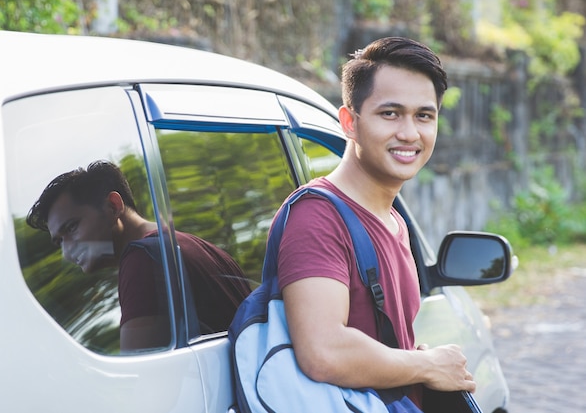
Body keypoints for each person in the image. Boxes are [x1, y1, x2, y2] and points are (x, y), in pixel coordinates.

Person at [276, 37, 475, 408]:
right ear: (349, 122)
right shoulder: (319, 217)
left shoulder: (393, 220)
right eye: (390, 113)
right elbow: (323, 351)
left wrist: (415, 361)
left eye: (424, 115)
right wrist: (426, 364)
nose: (409, 133)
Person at [26, 160, 251, 353]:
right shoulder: (198, 246)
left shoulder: (142, 261)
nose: (67, 252)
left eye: (72, 227)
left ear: (113, 206)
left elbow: (137, 384)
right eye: (60, 241)